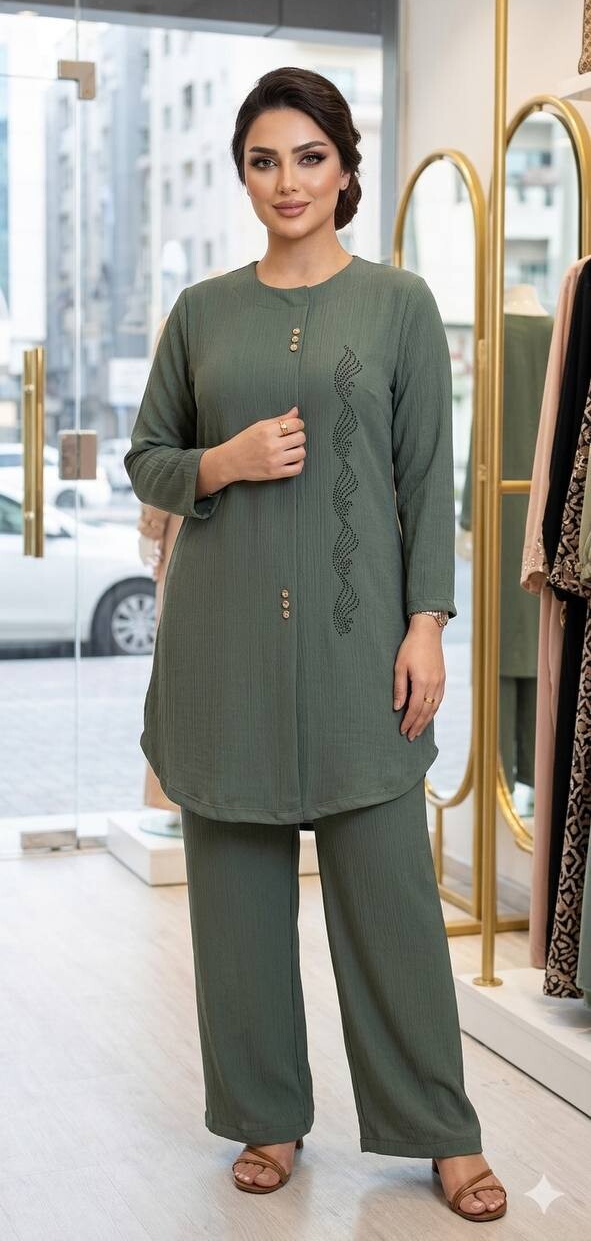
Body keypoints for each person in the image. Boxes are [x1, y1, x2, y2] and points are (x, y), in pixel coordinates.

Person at [124, 66, 507, 1221]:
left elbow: (427, 480)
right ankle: (267, 1118)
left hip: (358, 658)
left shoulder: (398, 305)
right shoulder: (201, 313)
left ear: (344, 169)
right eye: (263, 160)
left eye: (308, 157)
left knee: (393, 907)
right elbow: (148, 458)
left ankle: (439, 1129)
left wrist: (427, 623)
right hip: (224, 656)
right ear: (244, 177)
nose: (285, 181)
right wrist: (224, 462)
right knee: (236, 910)